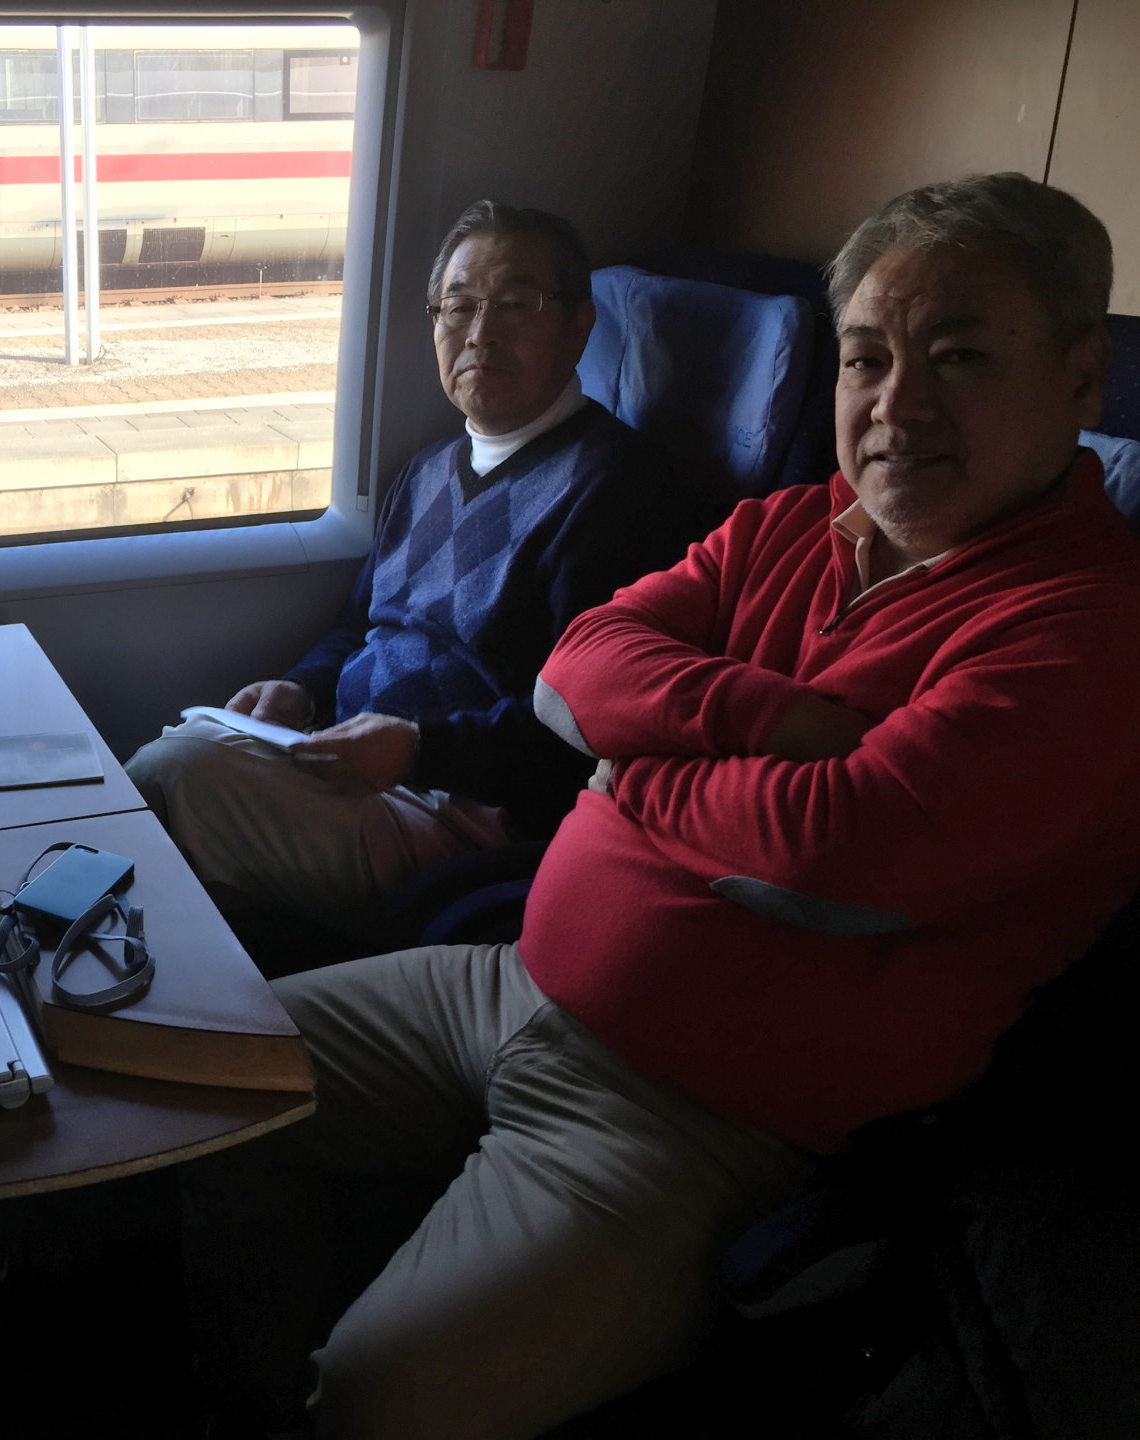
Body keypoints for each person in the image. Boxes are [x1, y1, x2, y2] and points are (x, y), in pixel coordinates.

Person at [185, 172, 1140, 1439]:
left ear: (1082, 380)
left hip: (701, 1113)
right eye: (865, 359)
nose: (896, 407)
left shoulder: (1090, 630)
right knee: (184, 1092)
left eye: (959, 357)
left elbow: (835, 852)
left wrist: (629, 773)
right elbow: (577, 669)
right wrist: (772, 725)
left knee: (378, 1403)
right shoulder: (790, 525)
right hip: (512, 982)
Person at [126, 202, 707, 929]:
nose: (480, 333)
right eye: (458, 307)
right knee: (174, 758)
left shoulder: (617, 491)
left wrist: (417, 751)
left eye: (515, 304)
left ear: (578, 326)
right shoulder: (428, 469)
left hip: (460, 810)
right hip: (353, 759)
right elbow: (360, 625)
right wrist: (302, 689)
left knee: (171, 776)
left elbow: (587, 722)